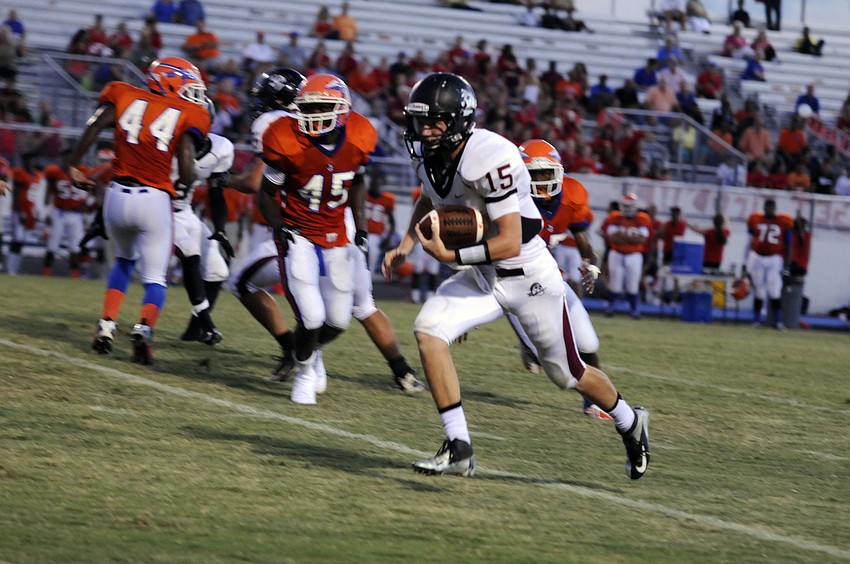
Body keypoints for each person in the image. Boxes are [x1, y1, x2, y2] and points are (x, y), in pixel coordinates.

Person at [383, 72, 650, 479]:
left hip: (528, 275)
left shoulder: (490, 155)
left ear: (460, 121)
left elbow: (510, 239)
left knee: (568, 374)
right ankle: (459, 447)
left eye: (436, 121)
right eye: (421, 120)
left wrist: (451, 252)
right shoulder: (428, 156)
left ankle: (630, 420)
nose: (425, 130)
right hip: (481, 275)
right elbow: (429, 195)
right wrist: (405, 243)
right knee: (428, 331)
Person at [65, 56, 211, 363]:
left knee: (123, 260)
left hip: (117, 195)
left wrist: (75, 164)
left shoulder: (124, 94)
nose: (192, 94)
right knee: (156, 276)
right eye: (188, 86)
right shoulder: (188, 112)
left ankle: (106, 324)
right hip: (155, 199)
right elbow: (185, 166)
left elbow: (96, 125)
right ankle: (143, 329)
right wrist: (190, 178)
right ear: (170, 81)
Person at [510, 138, 609, 420]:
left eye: (546, 173)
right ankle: (527, 344)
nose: (541, 180)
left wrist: (591, 265)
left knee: (589, 344)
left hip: (549, 274)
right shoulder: (510, 198)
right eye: (534, 174)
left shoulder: (572, 195)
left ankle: (595, 401)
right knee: (540, 351)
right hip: (511, 279)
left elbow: (584, 241)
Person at [172, 107, 234, 346]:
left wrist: (219, 228)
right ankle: (208, 325)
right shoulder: (165, 143)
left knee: (218, 271)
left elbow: (216, 192)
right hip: (159, 208)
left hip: (184, 211)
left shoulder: (219, 149)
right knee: (190, 252)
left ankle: (194, 331)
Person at [601, 193, 652, 318]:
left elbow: (642, 240)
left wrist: (622, 236)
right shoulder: (614, 216)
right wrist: (631, 237)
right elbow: (612, 238)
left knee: (633, 283)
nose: (627, 208)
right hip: (617, 253)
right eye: (625, 205)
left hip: (634, 255)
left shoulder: (643, 218)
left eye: (629, 206)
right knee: (615, 282)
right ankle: (611, 307)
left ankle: (634, 310)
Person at [744, 199, 793, 328]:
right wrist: (746, 262)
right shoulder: (755, 218)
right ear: (764, 207)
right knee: (759, 289)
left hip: (774, 259)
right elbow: (749, 242)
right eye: (767, 207)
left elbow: (788, 245)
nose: (769, 210)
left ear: (775, 208)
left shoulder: (784, 221)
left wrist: (787, 265)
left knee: (774, 290)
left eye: (771, 207)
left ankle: (778, 322)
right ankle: (756, 321)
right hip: (757, 257)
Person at [42, 158, 91, 279]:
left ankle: (74, 275)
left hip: (76, 214)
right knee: (52, 244)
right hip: (59, 212)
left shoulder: (83, 171)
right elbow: (49, 192)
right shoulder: (55, 172)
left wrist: (86, 213)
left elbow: (87, 192)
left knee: (75, 246)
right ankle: (46, 273)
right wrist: (47, 211)